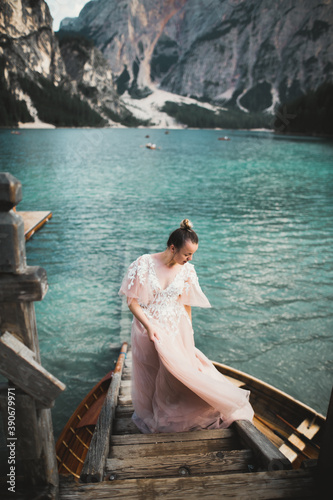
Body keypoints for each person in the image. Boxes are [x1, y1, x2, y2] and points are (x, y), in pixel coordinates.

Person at [119, 219, 254, 433]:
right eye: (186, 254)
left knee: (176, 372)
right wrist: (150, 326)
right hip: (148, 326)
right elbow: (132, 302)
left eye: (193, 255)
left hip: (176, 327)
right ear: (173, 248)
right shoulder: (143, 264)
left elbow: (186, 303)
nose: (190, 259)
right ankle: (155, 414)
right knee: (153, 373)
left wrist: (189, 330)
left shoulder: (187, 270)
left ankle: (177, 416)